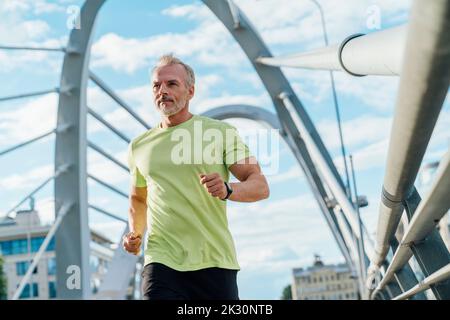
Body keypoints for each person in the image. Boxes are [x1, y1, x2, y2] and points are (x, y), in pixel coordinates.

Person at [122, 54, 270, 300]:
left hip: (214, 261)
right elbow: (138, 199)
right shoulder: (139, 145)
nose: (163, 91)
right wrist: (135, 233)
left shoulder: (219, 133)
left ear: (190, 91)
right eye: (156, 86)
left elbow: (260, 185)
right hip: (161, 260)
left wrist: (227, 189)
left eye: (172, 84)